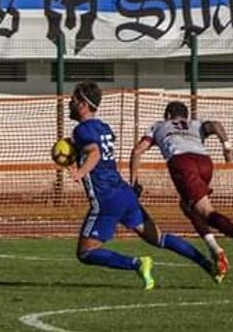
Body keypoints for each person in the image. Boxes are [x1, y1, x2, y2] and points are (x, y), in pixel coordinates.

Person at [67, 82, 217, 289]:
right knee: (159, 238)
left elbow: (95, 152)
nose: (69, 103)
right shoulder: (103, 127)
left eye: (73, 100)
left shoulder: (81, 130)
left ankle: (137, 263)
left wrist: (79, 172)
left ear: (83, 104)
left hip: (106, 199)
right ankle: (208, 265)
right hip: (124, 193)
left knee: (86, 252)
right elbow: (95, 148)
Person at [129, 101, 233, 281]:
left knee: (206, 212)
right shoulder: (195, 124)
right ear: (186, 116)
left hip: (182, 162)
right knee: (187, 206)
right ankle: (215, 250)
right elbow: (216, 125)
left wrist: (134, 182)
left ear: (167, 115)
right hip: (205, 162)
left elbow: (137, 151)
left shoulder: (159, 125)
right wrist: (226, 147)